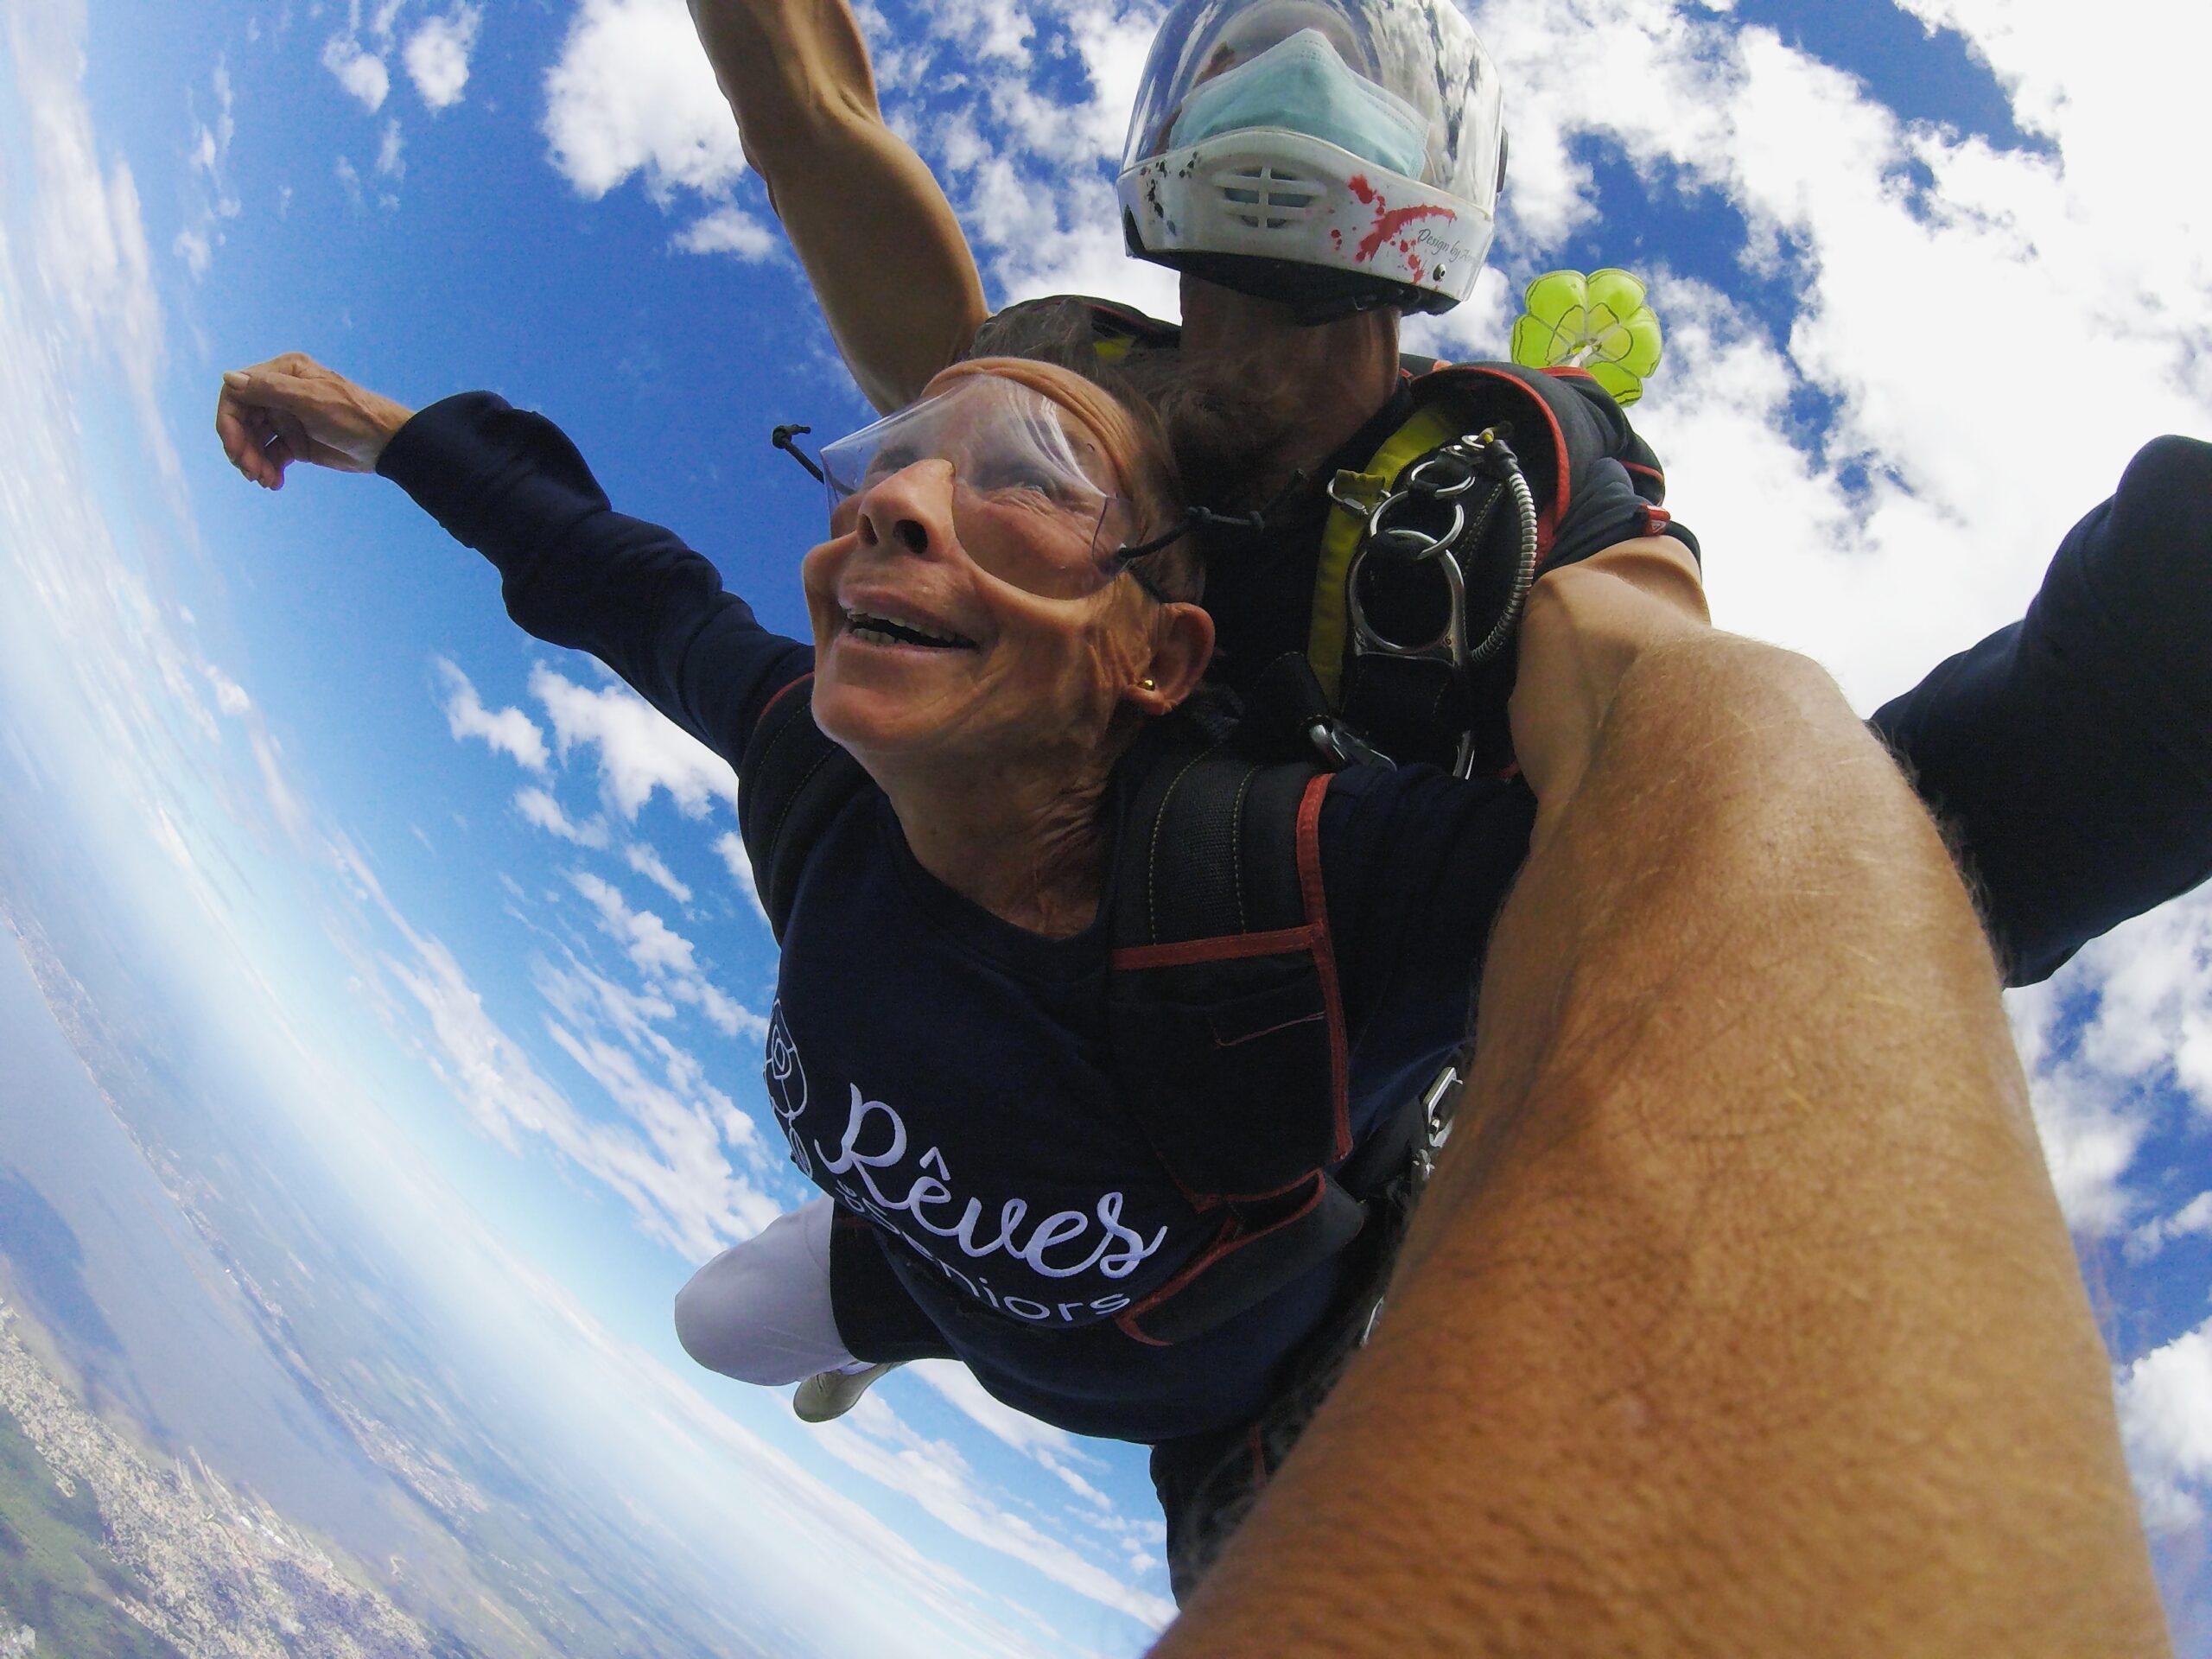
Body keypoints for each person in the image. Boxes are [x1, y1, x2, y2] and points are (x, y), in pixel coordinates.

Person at [214, 350, 2172, 1653]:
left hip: (1232, 1413)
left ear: (1158, 657)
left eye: (1022, 483)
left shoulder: (1290, 886)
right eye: (886, 468)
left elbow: (1749, 882)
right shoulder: (814, 777)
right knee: (720, 1319)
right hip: (940, 1269)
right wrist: (381, 432)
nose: (890, 507)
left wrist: (2155, 663)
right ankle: (881, 1328)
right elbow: (614, 577)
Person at [692, 0, 2212, 981]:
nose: (1285, 87)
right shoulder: (1057, 398)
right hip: (986, 969)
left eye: (1351, 74)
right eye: (1242, 57)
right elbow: (814, 130)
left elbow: (1649, 705)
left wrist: (2074, 740)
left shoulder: (1506, 466)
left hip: (1268, 1082)